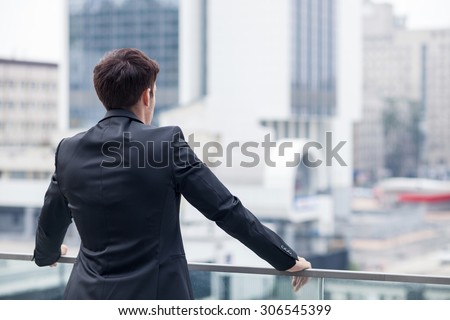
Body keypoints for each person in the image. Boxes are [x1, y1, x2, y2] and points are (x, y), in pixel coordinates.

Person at [33, 48, 311, 299]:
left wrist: (48, 255)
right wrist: (285, 258)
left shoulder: (68, 150)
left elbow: (50, 221)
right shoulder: (166, 142)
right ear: (147, 95)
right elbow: (225, 209)